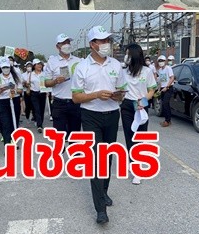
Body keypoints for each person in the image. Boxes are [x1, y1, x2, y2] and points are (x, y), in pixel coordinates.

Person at [72, 26, 128, 224]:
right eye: (101, 41)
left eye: (107, 40)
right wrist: (96, 94)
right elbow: (76, 97)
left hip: (112, 115)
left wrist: (117, 95)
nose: (106, 44)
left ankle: (103, 192)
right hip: (91, 116)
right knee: (96, 161)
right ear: (92, 44)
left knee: (108, 158)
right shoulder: (82, 67)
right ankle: (100, 210)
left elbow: (122, 90)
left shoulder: (116, 65)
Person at [120, 43, 157, 185]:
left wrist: (143, 101)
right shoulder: (123, 71)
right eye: (126, 54)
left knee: (140, 137)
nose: (126, 57)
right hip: (127, 105)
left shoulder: (147, 71)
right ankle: (133, 166)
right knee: (130, 136)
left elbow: (151, 90)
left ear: (135, 55)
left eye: (129, 54)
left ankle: (139, 164)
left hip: (141, 105)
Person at [44, 33, 83, 138]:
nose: (67, 45)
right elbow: (46, 83)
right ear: (57, 46)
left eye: (68, 42)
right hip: (59, 103)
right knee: (58, 136)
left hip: (75, 101)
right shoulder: (52, 62)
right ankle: (59, 153)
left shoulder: (79, 61)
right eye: (63, 43)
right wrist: (55, 81)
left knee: (75, 136)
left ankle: (75, 153)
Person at [0, 57, 22, 145]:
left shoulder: (15, 76)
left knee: (14, 121)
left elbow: (20, 90)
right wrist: (1, 90)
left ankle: (13, 141)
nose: (6, 69)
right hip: (2, 102)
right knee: (5, 123)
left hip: (14, 100)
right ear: (0, 67)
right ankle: (7, 144)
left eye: (7, 67)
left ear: (10, 67)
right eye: (4, 67)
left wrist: (15, 91)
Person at [155, 55, 176, 128]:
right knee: (163, 105)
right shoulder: (160, 70)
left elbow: (172, 78)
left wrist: (167, 87)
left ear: (165, 61)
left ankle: (168, 120)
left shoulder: (168, 68)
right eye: (159, 61)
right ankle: (167, 120)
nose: (161, 62)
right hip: (162, 88)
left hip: (168, 88)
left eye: (162, 61)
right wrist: (159, 89)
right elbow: (160, 80)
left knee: (165, 103)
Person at [27, 59, 48, 131]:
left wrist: (48, 90)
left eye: (40, 64)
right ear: (34, 66)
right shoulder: (31, 74)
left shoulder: (44, 73)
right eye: (37, 64)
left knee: (42, 109)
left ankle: (40, 122)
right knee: (37, 109)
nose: (39, 65)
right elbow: (28, 83)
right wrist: (27, 85)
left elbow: (47, 83)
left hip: (42, 93)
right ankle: (39, 125)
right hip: (34, 93)